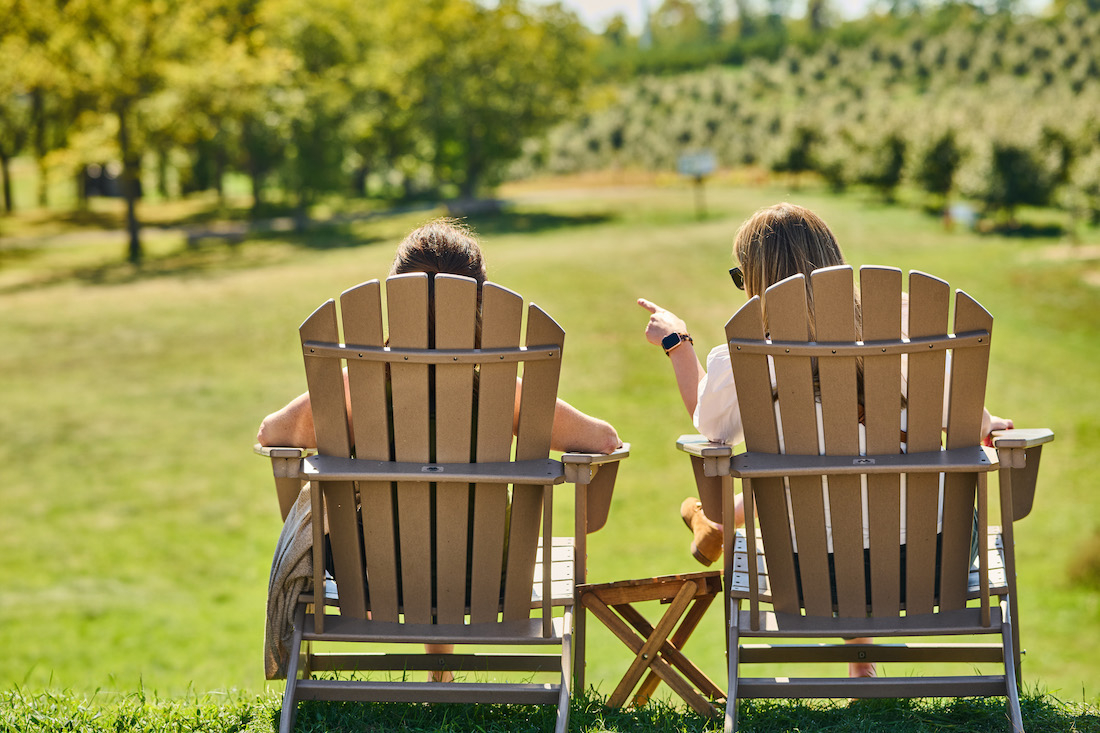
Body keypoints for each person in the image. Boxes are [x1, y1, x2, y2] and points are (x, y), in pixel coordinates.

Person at [638, 202, 1012, 678]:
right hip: (940, 561)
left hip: (813, 576)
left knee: (821, 503)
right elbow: (976, 423)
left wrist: (678, 344)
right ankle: (861, 657)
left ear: (757, 281)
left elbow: (710, 432)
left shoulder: (740, 358)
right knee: (860, 486)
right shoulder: (907, 335)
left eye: (741, 277)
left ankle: (715, 521)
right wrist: (992, 426)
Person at [259, 218, 621, 681]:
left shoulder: (352, 390)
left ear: (394, 299)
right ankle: (440, 672)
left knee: (411, 521)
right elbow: (604, 442)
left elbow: (273, 434)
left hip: (370, 579)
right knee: (451, 524)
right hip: (487, 577)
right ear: (479, 303)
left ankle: (434, 669)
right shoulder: (503, 395)